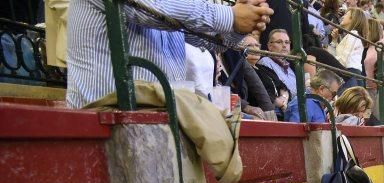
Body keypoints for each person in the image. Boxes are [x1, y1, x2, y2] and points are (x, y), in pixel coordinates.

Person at [66, 0, 273, 108]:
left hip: (159, 119)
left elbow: (206, 39)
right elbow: (152, 9)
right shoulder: (161, 5)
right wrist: (231, 16)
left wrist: (241, 24)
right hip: (104, 121)